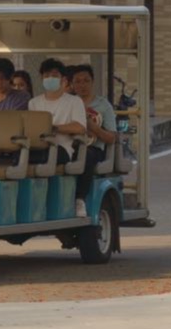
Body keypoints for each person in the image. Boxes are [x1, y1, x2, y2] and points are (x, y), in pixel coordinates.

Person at [28, 58, 89, 217]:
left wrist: (55, 128)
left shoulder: (74, 102)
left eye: (54, 75)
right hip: (37, 146)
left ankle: (76, 200)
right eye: (46, 75)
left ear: (64, 80)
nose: (50, 79)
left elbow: (80, 127)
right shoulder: (34, 103)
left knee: (43, 156)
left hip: (62, 149)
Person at [70, 65, 117, 194]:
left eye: (86, 81)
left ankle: (80, 198)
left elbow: (112, 138)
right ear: (72, 84)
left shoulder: (103, 105)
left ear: (93, 82)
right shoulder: (68, 103)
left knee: (86, 156)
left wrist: (93, 127)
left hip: (94, 149)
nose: (82, 85)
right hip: (70, 146)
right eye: (77, 81)